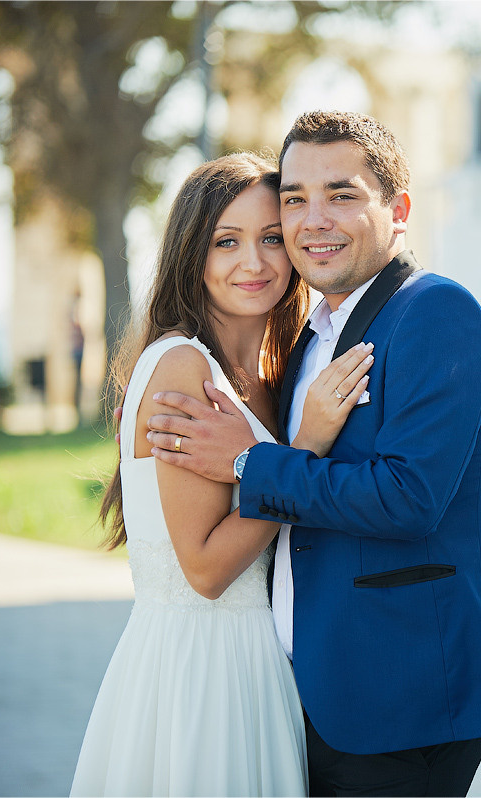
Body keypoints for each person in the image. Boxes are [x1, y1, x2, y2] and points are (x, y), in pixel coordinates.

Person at [145, 111, 481, 796]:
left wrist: (250, 462)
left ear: (399, 209)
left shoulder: (437, 312)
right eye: (294, 198)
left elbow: (408, 498)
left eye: (342, 194)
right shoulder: (308, 338)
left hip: (399, 691)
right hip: (311, 691)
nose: (312, 219)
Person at [72, 152, 374, 796]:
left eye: (271, 238)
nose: (255, 263)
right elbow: (206, 571)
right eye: (226, 242)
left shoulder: (275, 378)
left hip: (261, 666)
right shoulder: (183, 366)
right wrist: (305, 448)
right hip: (197, 670)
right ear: (192, 255)